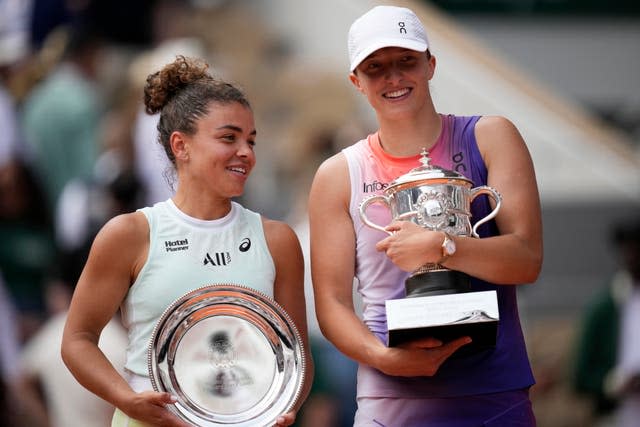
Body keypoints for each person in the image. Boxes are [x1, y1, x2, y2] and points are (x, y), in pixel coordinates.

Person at [308, 5, 543, 426]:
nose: (393, 78)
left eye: (406, 62)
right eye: (375, 67)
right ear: (355, 81)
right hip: (391, 401)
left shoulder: (490, 137)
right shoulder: (338, 174)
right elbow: (332, 304)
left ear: (430, 64)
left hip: (494, 394)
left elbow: (526, 259)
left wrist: (442, 246)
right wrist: (385, 358)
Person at [61, 55, 313, 427]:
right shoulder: (129, 234)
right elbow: (77, 340)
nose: (246, 152)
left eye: (251, 140)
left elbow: (297, 358)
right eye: (229, 137)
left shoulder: (278, 240)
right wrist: (128, 399)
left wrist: (279, 408)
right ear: (181, 146)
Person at [572, 218, 640, 427]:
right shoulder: (605, 307)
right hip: (617, 415)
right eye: (629, 250)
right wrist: (616, 383)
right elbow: (581, 376)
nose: (632, 256)